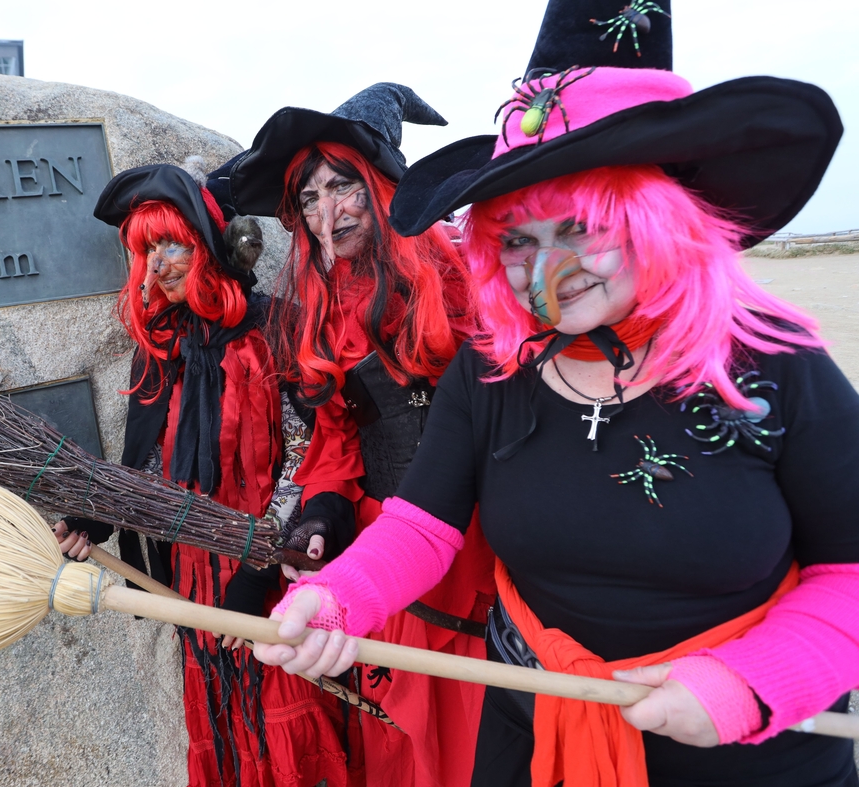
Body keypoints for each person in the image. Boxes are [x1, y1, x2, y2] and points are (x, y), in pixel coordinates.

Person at [255, 2, 858, 786]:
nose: (546, 275)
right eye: (517, 240)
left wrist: (748, 681)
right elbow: (423, 524)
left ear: (659, 218)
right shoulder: (494, 364)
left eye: (579, 228)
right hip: (532, 740)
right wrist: (337, 598)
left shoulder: (775, 362)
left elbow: (849, 572)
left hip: (747, 756)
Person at [59, 161, 362, 787]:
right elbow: (147, 464)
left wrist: (260, 560)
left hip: (275, 573)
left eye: (171, 244)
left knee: (291, 719)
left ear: (214, 246)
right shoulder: (164, 348)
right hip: (194, 578)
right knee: (224, 727)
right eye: (144, 251)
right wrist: (97, 518)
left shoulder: (278, 328)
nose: (156, 266)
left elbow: (316, 446)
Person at [229, 84, 498, 786]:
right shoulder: (323, 307)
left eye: (341, 185)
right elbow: (336, 443)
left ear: (380, 187)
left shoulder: (465, 281)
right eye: (308, 199)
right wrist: (323, 513)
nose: (325, 213)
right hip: (383, 547)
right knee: (401, 744)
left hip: (477, 544)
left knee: (477, 733)